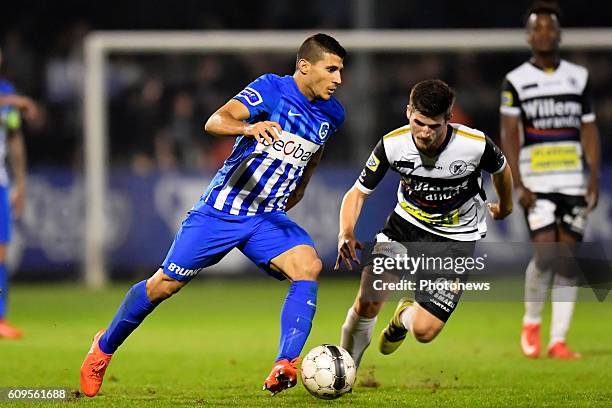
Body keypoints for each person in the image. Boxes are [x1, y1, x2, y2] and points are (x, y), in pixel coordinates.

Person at [79, 33, 346, 397]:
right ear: (304, 66)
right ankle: (103, 348)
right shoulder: (271, 89)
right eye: (331, 69)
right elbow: (216, 120)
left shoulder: (333, 113)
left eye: (340, 71)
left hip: (265, 217)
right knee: (163, 286)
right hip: (221, 211)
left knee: (308, 266)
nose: (338, 79)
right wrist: (248, 127)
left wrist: (300, 189)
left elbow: (314, 154)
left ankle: (285, 364)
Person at [337, 79, 513, 368]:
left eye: (434, 126)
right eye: (419, 123)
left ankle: (403, 317)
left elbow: (502, 171)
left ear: (449, 119)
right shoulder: (392, 145)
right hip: (404, 228)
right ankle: (345, 371)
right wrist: (346, 231)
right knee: (368, 300)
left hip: (456, 240)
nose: (425, 133)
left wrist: (505, 206)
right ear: (409, 112)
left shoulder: (474, 145)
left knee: (424, 331)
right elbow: (357, 193)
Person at [500, 2, 600, 360]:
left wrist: (593, 174)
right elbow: (509, 133)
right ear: (529, 36)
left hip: (572, 180)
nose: (543, 33)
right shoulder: (516, 80)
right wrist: (518, 181)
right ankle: (531, 321)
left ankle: (558, 340)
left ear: (558, 34)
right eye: (537, 28)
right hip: (537, 181)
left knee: (567, 260)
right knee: (545, 254)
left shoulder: (579, 77)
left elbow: (588, 128)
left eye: (549, 27)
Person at [0, 47, 38, 340]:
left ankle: (0, 317)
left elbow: (13, 138)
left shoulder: (7, 92)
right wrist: (16, 101)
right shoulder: (10, 97)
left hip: (1, 181)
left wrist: (20, 183)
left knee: (1, 252)